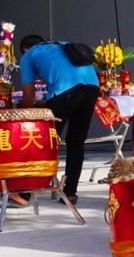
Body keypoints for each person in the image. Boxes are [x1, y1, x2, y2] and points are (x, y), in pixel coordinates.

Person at [19, 34, 101, 205]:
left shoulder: (28, 55)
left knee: (45, 142)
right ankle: (70, 193)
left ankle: (24, 194)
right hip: (92, 89)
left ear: (24, 49)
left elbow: (28, 96)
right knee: (76, 142)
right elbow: (72, 83)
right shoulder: (64, 44)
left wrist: (25, 107)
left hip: (66, 93)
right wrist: (47, 102)